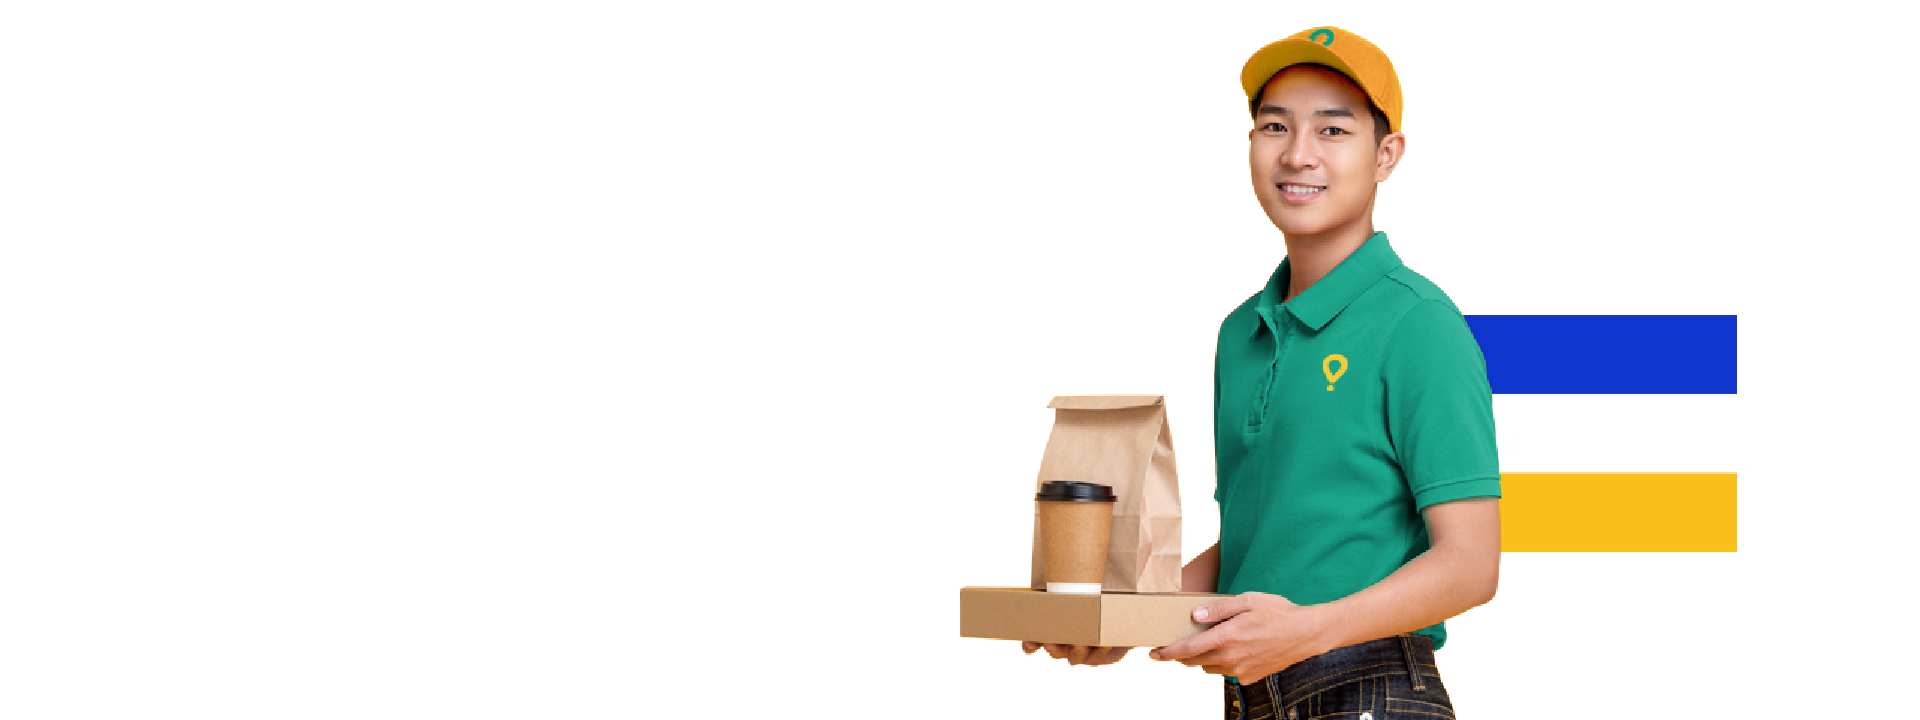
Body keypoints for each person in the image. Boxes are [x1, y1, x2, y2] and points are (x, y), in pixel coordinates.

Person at [1021, 27, 1502, 719]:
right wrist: (1122, 619)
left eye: (1333, 130)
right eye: (1274, 126)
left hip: (1372, 690)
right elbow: (1257, 543)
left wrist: (1307, 629)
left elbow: (1470, 563)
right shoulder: (1241, 334)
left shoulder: (1418, 323)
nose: (1297, 153)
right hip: (1254, 698)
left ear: (1386, 155)